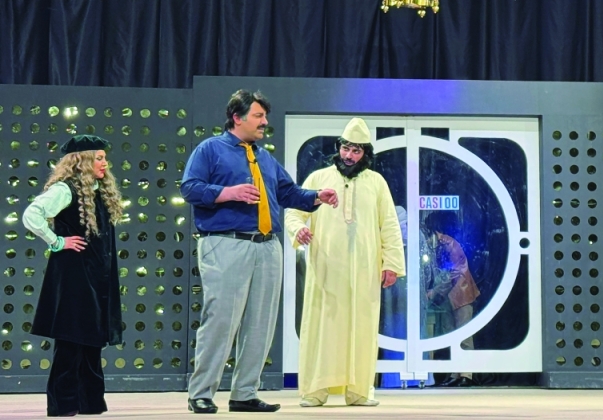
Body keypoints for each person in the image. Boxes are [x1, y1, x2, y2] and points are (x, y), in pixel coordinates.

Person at [180, 89, 338, 414]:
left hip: (267, 246)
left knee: (261, 322)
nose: (265, 122)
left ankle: (244, 393)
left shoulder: (264, 157)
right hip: (226, 243)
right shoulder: (210, 149)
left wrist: (315, 196)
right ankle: (201, 393)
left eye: (264, 116)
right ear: (237, 118)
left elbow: (287, 193)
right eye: (258, 116)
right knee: (221, 319)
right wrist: (228, 193)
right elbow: (190, 188)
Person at [285, 117, 405, 407]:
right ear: (338, 148)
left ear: (365, 154)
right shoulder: (318, 179)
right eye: (346, 149)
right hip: (325, 269)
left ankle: (359, 391)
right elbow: (294, 212)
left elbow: (389, 224)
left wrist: (391, 264)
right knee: (321, 327)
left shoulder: (376, 182)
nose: (349, 156)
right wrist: (298, 230)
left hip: (365, 270)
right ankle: (314, 391)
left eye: (356, 151)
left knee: (362, 328)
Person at [22, 134, 123, 417]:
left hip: (96, 276)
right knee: (71, 339)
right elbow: (32, 214)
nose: (105, 163)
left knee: (91, 340)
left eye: (104, 158)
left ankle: (89, 402)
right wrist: (56, 241)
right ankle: (64, 403)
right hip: (73, 276)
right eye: (99, 158)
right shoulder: (65, 190)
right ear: (83, 161)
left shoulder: (98, 191)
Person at [424, 212, 480, 387]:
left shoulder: (449, 244)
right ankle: (456, 373)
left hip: (462, 294)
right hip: (449, 297)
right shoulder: (437, 246)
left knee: (464, 335)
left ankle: (466, 375)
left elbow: (455, 273)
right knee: (452, 335)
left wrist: (434, 292)